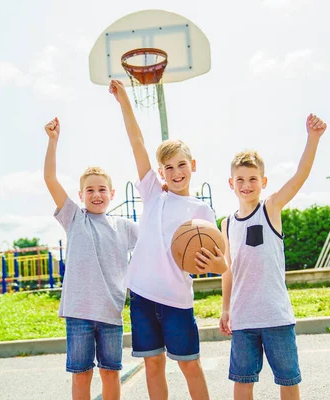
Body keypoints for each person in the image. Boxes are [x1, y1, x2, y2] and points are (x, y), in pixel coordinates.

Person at [109, 79, 227, 400]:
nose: (176, 172)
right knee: (153, 366)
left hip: (176, 300)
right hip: (143, 296)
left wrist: (216, 265)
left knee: (190, 365)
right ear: (161, 173)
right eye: (169, 168)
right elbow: (137, 142)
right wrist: (124, 102)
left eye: (181, 165)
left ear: (193, 166)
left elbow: (217, 260)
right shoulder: (152, 194)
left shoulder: (202, 209)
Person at [202, 114, 327, 400]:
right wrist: (225, 309)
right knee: (242, 382)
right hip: (243, 318)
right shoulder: (227, 224)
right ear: (231, 183)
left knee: (287, 379)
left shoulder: (271, 208)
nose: (246, 185)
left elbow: (300, 176)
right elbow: (228, 270)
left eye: (253, 179)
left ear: (263, 181)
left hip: (275, 316)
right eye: (240, 180)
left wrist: (313, 139)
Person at [43, 117, 138, 400]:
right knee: (81, 375)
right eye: (90, 190)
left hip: (111, 314)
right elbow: (49, 179)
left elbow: (157, 238)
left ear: (111, 193)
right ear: (80, 195)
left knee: (111, 374)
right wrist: (52, 141)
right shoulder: (74, 218)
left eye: (101, 190)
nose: (96, 194)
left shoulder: (124, 226)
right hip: (79, 313)